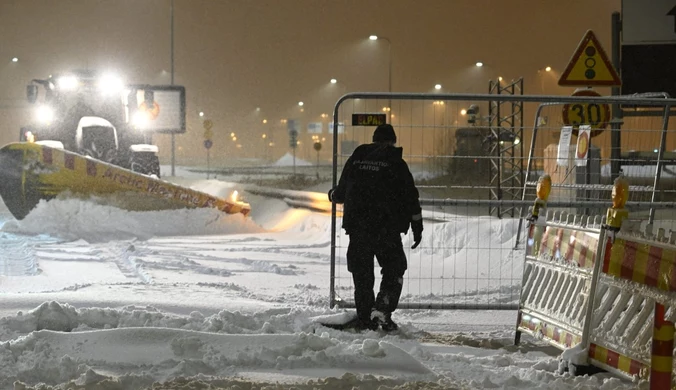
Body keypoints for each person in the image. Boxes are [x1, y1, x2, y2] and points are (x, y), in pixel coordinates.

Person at [328, 123, 423, 331]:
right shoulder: (396, 162)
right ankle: (382, 308)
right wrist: (417, 225)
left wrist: (333, 194)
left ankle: (364, 318)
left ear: (373, 139)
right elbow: (410, 197)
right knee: (394, 267)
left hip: (357, 228)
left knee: (362, 274)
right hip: (386, 229)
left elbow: (340, 193)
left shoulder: (358, 156)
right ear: (392, 141)